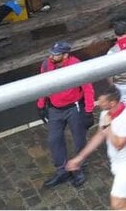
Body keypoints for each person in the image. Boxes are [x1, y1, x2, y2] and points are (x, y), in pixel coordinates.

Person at [65, 82, 126, 211]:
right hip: (118, 162)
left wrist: (109, 127)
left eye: (101, 101)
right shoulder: (106, 113)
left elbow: (119, 145)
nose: (98, 103)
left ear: (112, 103)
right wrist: (79, 158)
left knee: (117, 203)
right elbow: (100, 135)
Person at [37, 41, 95, 188]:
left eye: (55, 55)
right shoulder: (46, 65)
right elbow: (43, 85)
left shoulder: (76, 65)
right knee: (54, 139)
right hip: (55, 109)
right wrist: (41, 105)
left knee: (79, 139)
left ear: (65, 55)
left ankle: (78, 167)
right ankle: (61, 170)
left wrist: (88, 111)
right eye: (51, 53)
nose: (51, 57)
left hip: (74, 108)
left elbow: (88, 88)